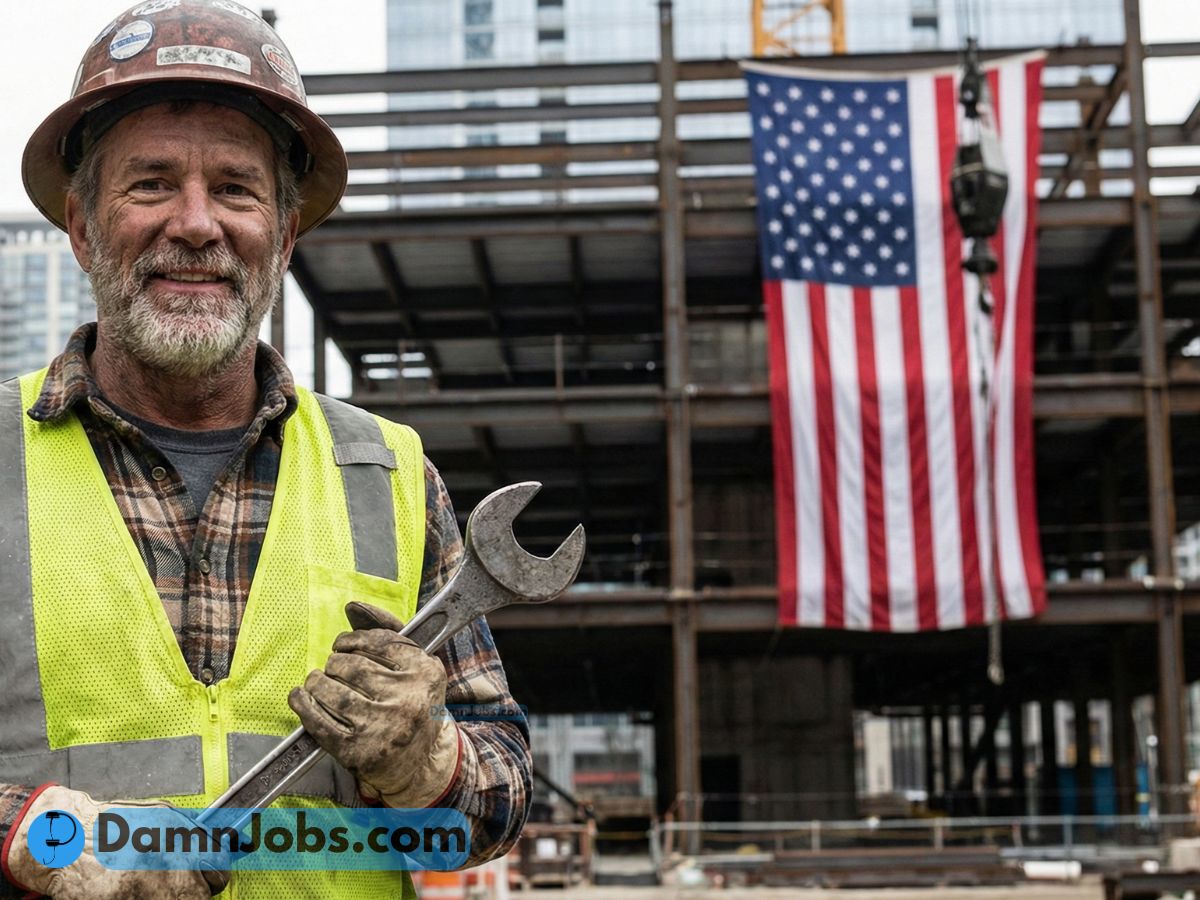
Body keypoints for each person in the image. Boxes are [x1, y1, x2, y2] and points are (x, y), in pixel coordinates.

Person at [0, 1, 531, 897]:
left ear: (283, 237)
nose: (197, 224)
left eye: (237, 190)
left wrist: (429, 764)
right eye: (151, 184)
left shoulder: (391, 474)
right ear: (83, 227)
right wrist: (42, 838)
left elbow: (490, 816)